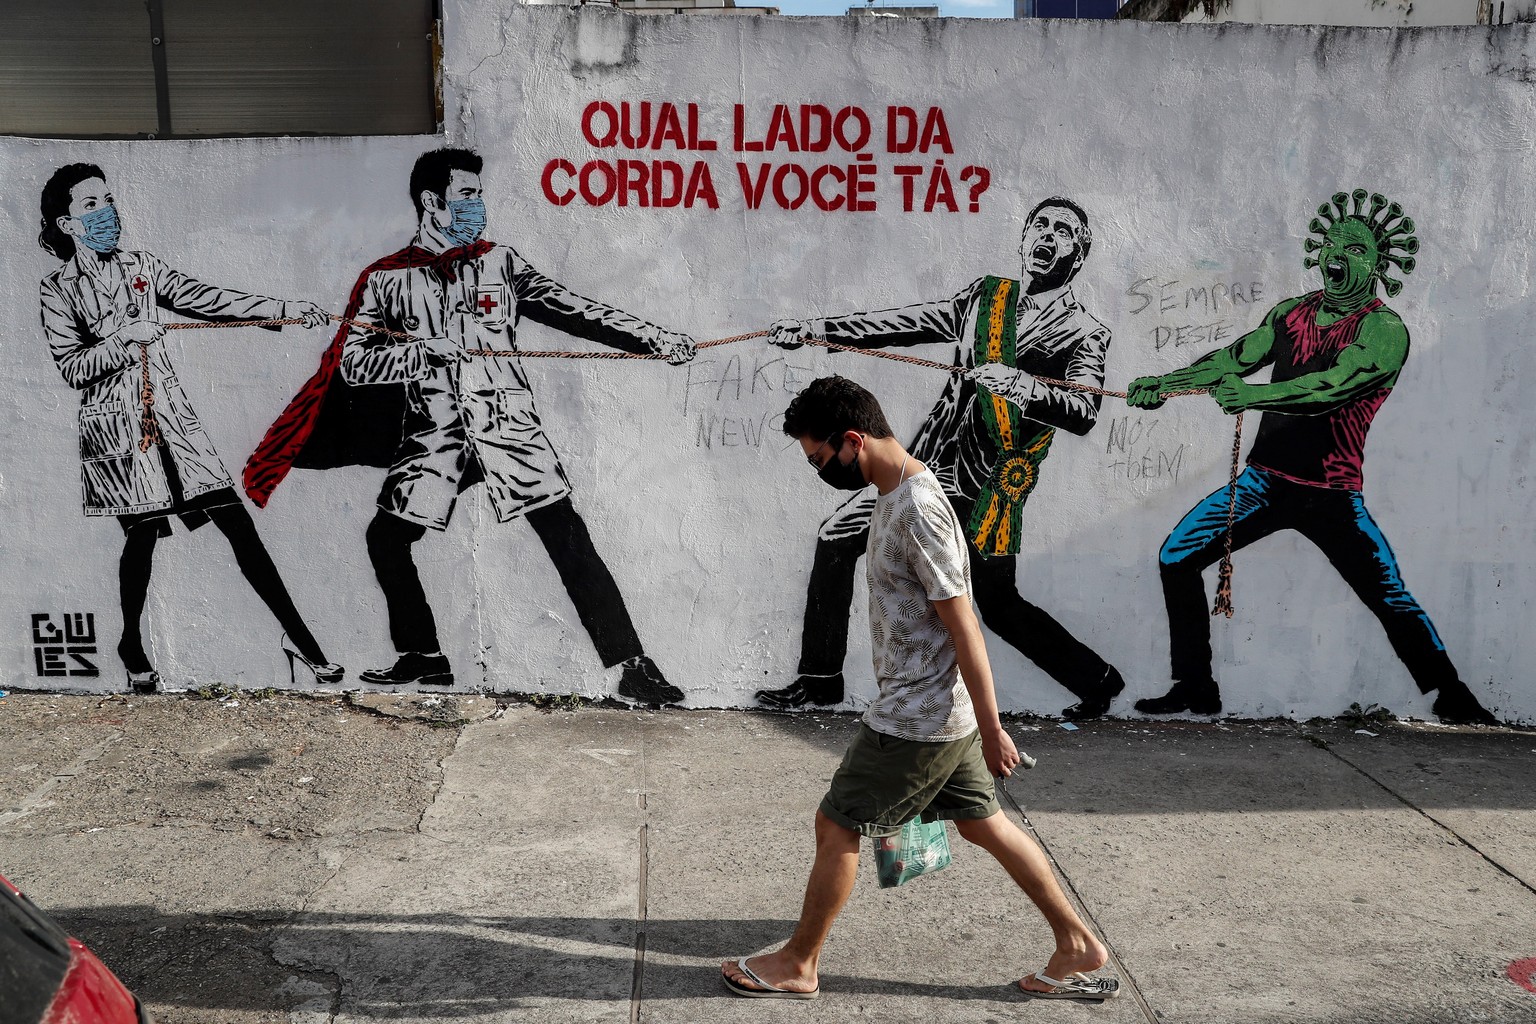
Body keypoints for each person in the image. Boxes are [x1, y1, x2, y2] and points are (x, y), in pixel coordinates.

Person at [720, 376, 1120, 1003]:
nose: (819, 471)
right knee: (983, 825)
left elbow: (967, 626)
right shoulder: (892, 491)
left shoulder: (919, 512)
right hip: (938, 710)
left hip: (917, 718)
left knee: (836, 825)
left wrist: (993, 731)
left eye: (821, 459)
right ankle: (1076, 945)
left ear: (853, 440)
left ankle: (799, 963)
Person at [244, 148, 695, 702]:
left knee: (567, 536)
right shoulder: (384, 279)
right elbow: (354, 364)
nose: (478, 205)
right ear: (432, 202)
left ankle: (633, 664)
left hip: (507, 429)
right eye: (467, 195)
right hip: (434, 436)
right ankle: (423, 657)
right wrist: (418, 355)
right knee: (387, 539)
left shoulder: (501, 262)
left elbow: (576, 310)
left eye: (479, 194)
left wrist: (654, 340)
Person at [1126, 190, 1498, 725]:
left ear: (1376, 265)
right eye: (1330, 244)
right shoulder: (1291, 313)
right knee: (1176, 556)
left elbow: (1333, 387)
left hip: (1331, 494)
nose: (1337, 255)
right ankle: (1195, 685)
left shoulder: (1384, 330)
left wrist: (1252, 396)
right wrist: (1166, 383)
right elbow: (1235, 358)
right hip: (1263, 484)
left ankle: (1452, 695)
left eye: (1354, 248)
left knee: (1386, 593)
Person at [759, 198, 1122, 720]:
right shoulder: (986, 298)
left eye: (1063, 232)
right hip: (928, 469)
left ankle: (1099, 679)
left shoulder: (1087, 333)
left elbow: (1084, 408)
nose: (1047, 237)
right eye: (1039, 225)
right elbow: (909, 323)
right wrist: (818, 331)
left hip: (990, 487)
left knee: (999, 606)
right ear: (1023, 239)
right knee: (837, 538)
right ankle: (819, 680)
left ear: (1079, 253)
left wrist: (1022, 385)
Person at [37, 162, 341, 693]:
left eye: (108, 199)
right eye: (91, 206)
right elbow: (72, 368)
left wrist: (283, 311)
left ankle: (301, 639)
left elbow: (208, 298)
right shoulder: (57, 290)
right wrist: (126, 337)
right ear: (67, 225)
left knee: (237, 526)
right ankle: (131, 643)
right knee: (140, 540)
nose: (107, 212)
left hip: (173, 425)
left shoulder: (142, 266)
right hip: (119, 435)